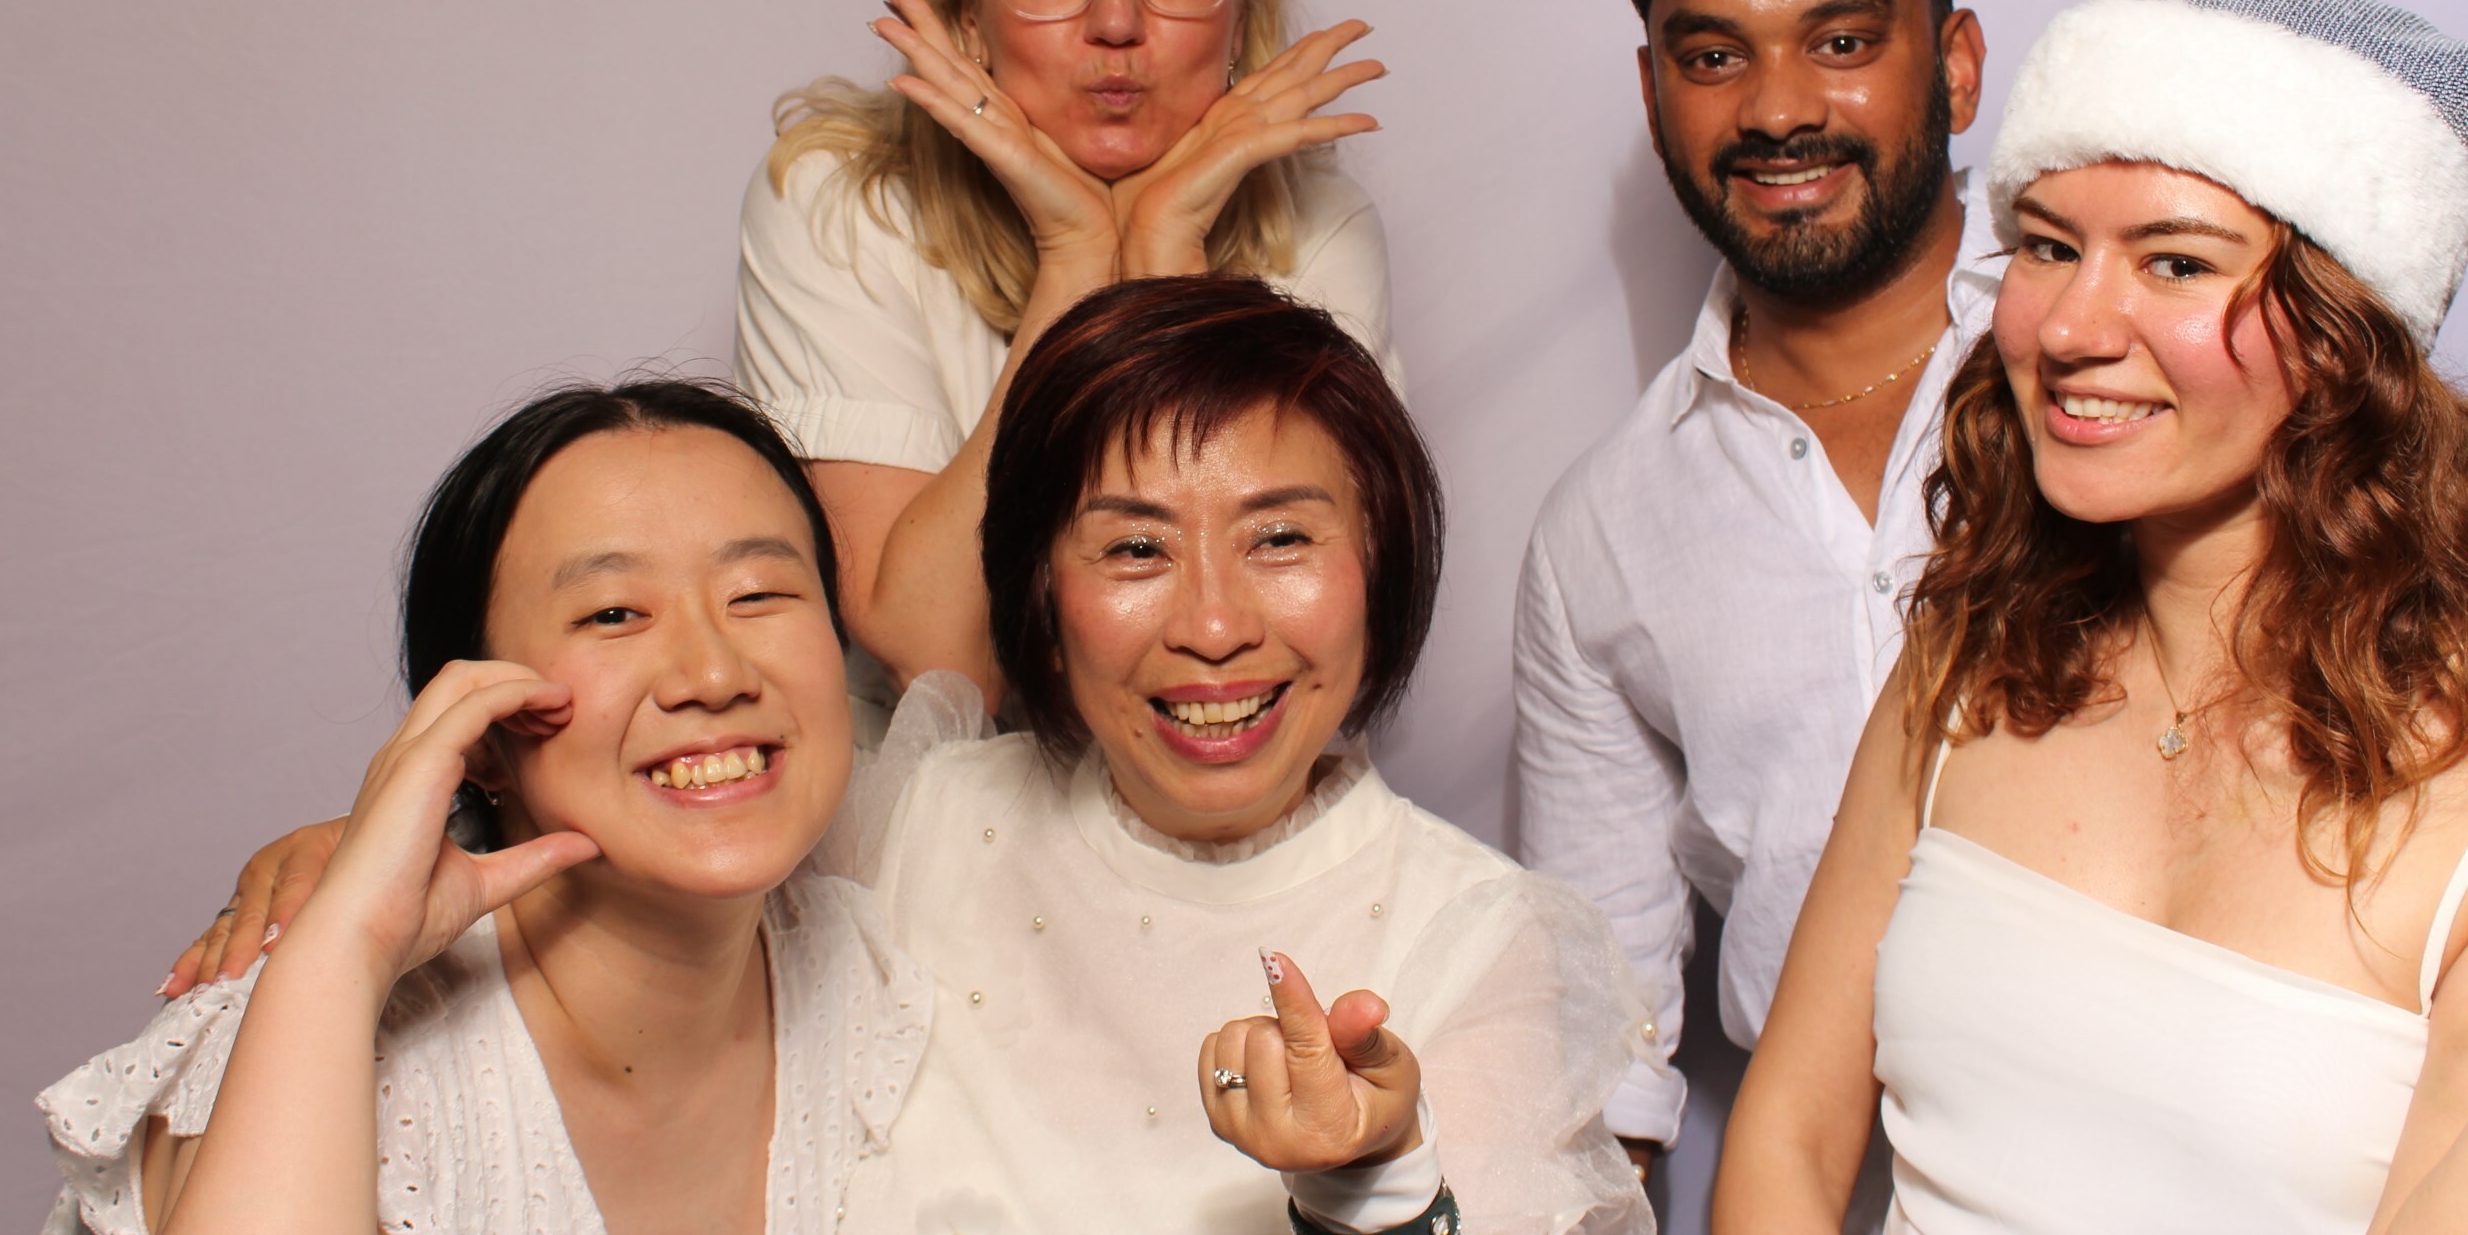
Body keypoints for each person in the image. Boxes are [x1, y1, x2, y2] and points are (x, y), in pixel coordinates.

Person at [169, 280, 1653, 1233]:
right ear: (1038, 596)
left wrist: (1376, 1188)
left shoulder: (1485, 939)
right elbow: (674, 803)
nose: (1214, 625)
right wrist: (354, 872)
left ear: (1382, 565)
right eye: (1134, 549)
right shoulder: (906, 823)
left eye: (1282, 540)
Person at [1717, 0, 2468, 1234]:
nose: (2069, 328)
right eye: (2050, 248)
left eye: (2175, 264)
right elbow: (1789, 1134)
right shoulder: (1972, 654)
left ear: (2347, 333)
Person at [41, 381, 930, 1234]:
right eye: (614, 614)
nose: (714, 673)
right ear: (480, 729)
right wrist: (346, 946)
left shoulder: (897, 970)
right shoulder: (310, 1038)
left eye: (759, 595)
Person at [1508, 0, 1987, 1183]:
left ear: (1956, 67)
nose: (1778, 110)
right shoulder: (1604, 532)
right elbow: (1605, 1046)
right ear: (1653, 91)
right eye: (1714, 57)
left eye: (1842, 42)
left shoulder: (2125, 375)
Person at [738, 0, 1398, 719]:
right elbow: (942, 661)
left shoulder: (1318, 229)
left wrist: (1165, 257)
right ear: (969, 13)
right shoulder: (839, 203)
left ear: (1241, 4)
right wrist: (1077, 263)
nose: (1117, 20)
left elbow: (1284, 650)